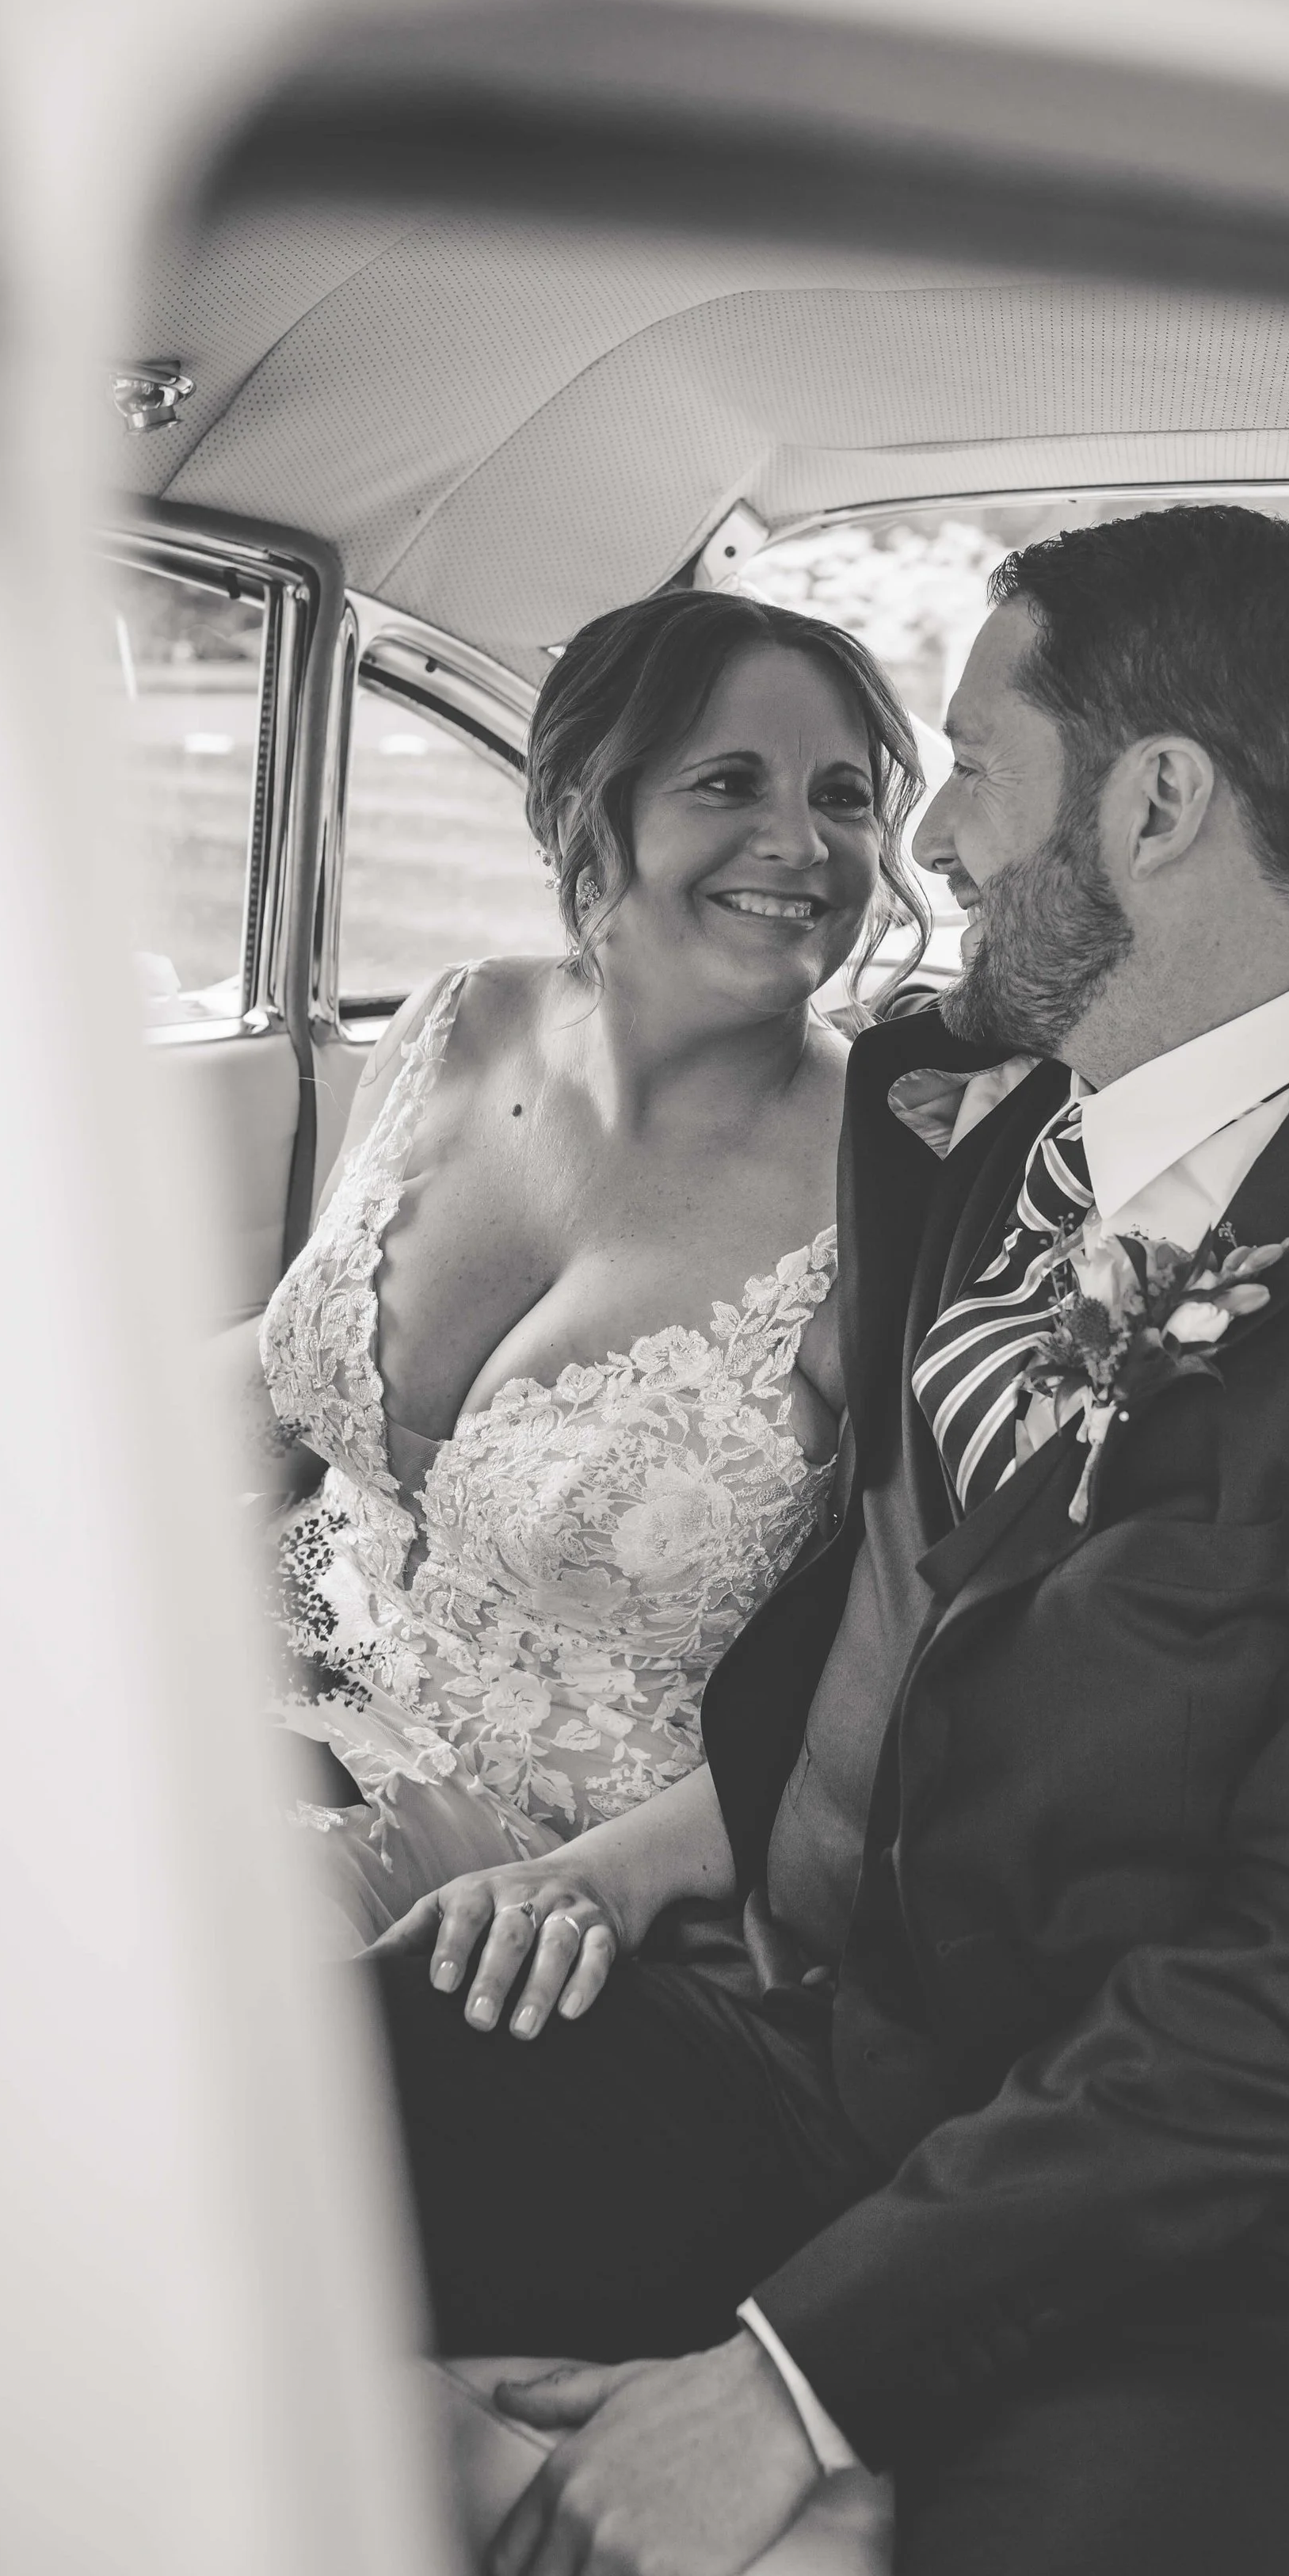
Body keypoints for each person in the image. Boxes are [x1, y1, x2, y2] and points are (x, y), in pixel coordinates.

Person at [368, 506, 1289, 2576]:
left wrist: (782, 2383)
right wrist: (624, 1865)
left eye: (971, 765)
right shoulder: (948, 1105)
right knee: (249, 2108)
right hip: (828, 2069)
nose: (933, 841)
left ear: (1155, 801)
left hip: (1204, 2227)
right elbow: (874, 1617)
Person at [246, 588, 925, 1946]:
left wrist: (610, 1880)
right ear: (578, 810)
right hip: (270, 1677)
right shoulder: (458, 1021)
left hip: (552, 1873)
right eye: (727, 782)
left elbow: (888, 1688)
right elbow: (285, 1371)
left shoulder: (886, 1195)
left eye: (843, 797)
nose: (801, 844)